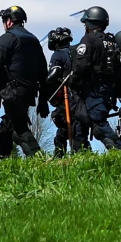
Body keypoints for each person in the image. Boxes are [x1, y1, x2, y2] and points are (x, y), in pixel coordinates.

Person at [0, 5, 45, 157]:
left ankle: (38, 158)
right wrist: (43, 100)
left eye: (4, 20)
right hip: (30, 91)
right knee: (4, 130)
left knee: (20, 128)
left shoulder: (7, 38)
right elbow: (43, 71)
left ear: (9, 21)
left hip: (12, 91)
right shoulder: (34, 39)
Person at [72, 7, 121, 151]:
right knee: (83, 121)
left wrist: (73, 81)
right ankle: (81, 154)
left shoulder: (88, 39)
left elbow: (82, 64)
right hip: (107, 90)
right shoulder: (111, 41)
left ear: (89, 23)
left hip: (92, 89)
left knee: (99, 123)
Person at [42, 27, 77, 156]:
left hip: (67, 97)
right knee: (77, 128)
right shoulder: (75, 52)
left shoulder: (57, 54)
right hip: (79, 96)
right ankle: (81, 152)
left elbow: (53, 75)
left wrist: (44, 88)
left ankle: (59, 157)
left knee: (63, 127)